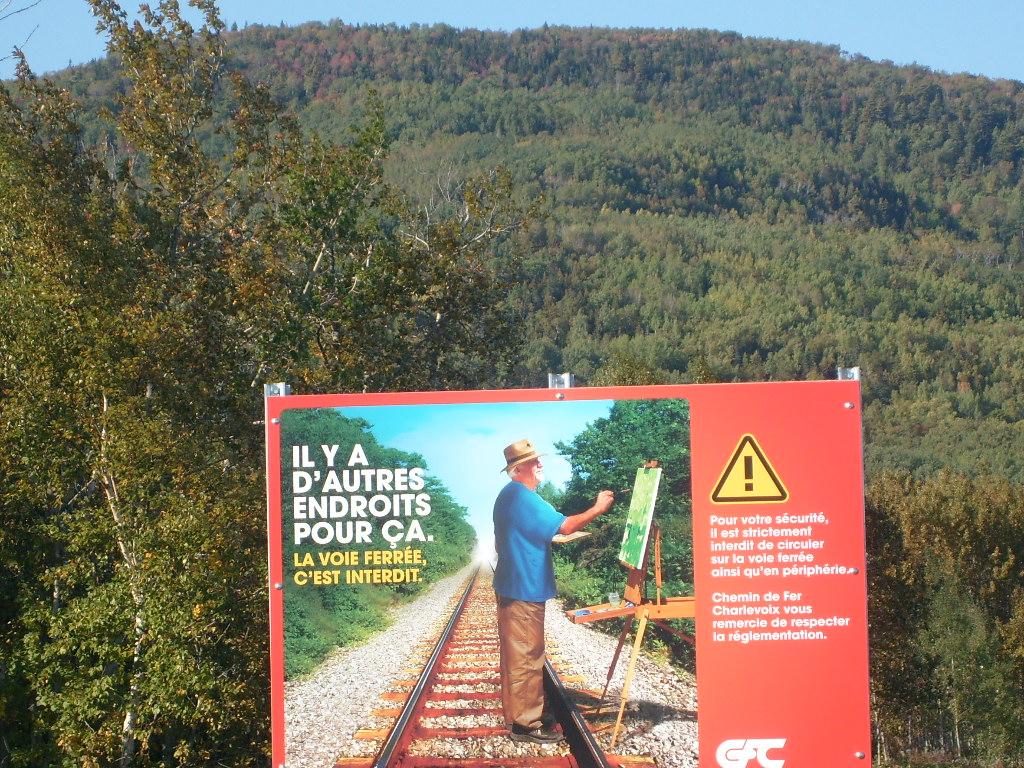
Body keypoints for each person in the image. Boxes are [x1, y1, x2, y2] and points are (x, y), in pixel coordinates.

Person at [492, 438, 614, 744]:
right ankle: (526, 725)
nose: (540, 464)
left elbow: (535, 532)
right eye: (534, 461)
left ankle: (521, 714)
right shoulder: (522, 497)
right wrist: (598, 508)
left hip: (516, 586)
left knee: (520, 655)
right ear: (519, 468)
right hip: (523, 589)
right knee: (526, 656)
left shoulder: (510, 495)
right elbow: (566, 526)